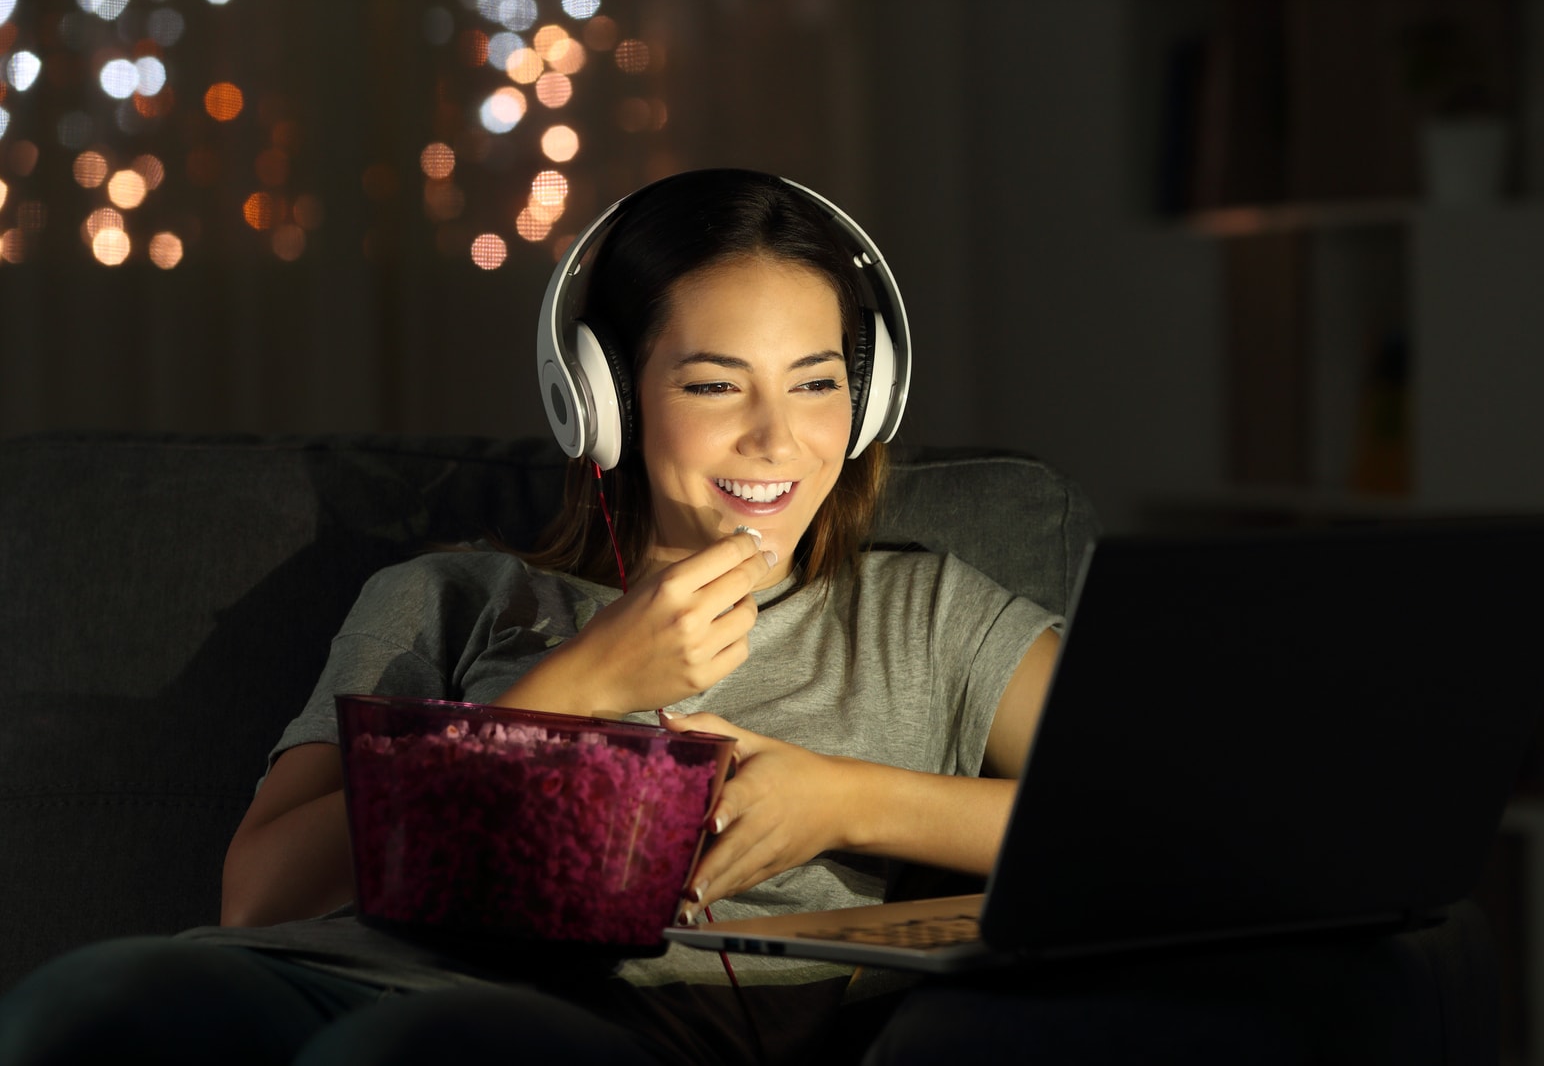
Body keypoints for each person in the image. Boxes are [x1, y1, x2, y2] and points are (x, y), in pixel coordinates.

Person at [0, 169, 1061, 1066]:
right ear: (603, 400)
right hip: (314, 975)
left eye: (817, 383)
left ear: (869, 401)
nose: (776, 441)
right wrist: (575, 691)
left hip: (615, 1021)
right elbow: (265, 898)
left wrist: (846, 803)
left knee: (423, 1051)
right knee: (90, 1002)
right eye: (712, 386)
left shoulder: (927, 618)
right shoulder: (446, 598)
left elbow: (1164, 830)